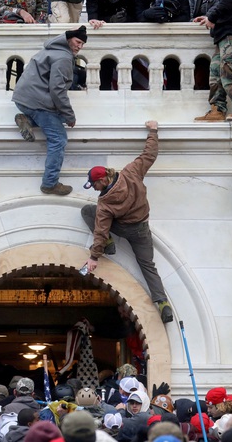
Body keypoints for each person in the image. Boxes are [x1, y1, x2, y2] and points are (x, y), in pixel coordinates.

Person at [80, 121, 173, 324]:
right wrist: (153, 131)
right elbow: (149, 155)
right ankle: (162, 302)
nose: (94, 188)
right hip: (141, 229)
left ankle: (109, 245)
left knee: (87, 211)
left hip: (122, 228)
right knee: (147, 265)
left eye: (94, 184)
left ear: (103, 180)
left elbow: (101, 230)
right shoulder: (131, 172)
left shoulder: (104, 204)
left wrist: (94, 256)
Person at [12, 26, 87, 196]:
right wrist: (70, 115)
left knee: (55, 117)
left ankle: (28, 120)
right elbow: (57, 90)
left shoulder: (52, 49)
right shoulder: (63, 57)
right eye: (77, 42)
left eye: (82, 44)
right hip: (37, 101)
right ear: (69, 39)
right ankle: (49, 183)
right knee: (59, 139)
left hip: (23, 99)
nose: (79, 46)